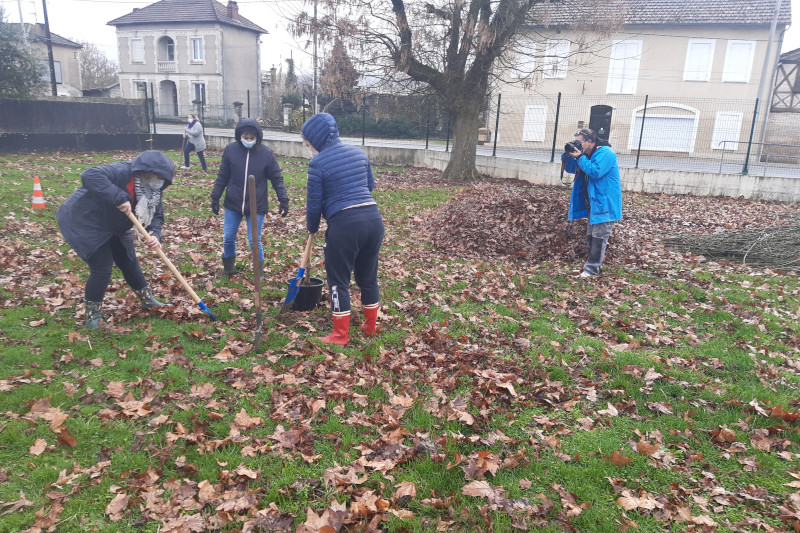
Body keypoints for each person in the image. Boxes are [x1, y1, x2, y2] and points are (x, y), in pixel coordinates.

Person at [57, 150, 174, 329]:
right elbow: (89, 174)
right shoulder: (122, 171)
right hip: (86, 220)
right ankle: (92, 315)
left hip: (116, 225)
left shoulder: (152, 191)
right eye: (158, 177)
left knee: (128, 260)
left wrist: (154, 234)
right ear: (147, 172)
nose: (160, 182)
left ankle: (147, 299)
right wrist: (118, 196)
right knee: (102, 267)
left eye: (163, 179)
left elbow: (157, 215)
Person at [301, 113, 385, 346]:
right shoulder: (359, 153)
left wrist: (312, 228)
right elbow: (370, 185)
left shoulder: (317, 163)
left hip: (345, 225)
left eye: (307, 141)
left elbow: (314, 203)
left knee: (338, 280)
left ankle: (339, 335)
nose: (307, 145)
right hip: (373, 220)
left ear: (315, 138)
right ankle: (370, 327)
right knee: (367, 277)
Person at [210, 117, 289, 275]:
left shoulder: (266, 153)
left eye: (252, 138)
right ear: (240, 136)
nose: (248, 140)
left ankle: (258, 273)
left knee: (254, 240)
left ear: (257, 137)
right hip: (233, 202)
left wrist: (283, 199)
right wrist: (215, 196)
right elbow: (223, 175)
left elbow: (276, 177)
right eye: (245, 137)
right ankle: (229, 268)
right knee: (228, 237)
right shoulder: (231, 151)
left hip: (256, 204)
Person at [562, 128, 622, 278]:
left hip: (605, 203)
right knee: (591, 235)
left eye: (579, 142)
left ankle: (591, 269)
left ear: (589, 142)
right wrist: (568, 154)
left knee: (599, 237)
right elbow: (570, 169)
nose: (577, 144)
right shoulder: (586, 154)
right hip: (594, 203)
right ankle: (594, 267)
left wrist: (580, 157)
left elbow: (595, 171)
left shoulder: (606, 153)